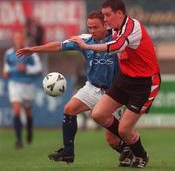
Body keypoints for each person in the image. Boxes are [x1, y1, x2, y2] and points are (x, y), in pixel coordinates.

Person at [16, 11, 127, 164]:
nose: (92, 31)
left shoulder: (117, 40)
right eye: (90, 27)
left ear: (106, 25)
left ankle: (130, 150)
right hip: (92, 87)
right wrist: (34, 49)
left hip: (113, 93)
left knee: (112, 140)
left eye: (95, 27)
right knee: (69, 109)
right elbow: (59, 45)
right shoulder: (85, 40)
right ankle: (68, 151)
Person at [70, 0, 161, 168]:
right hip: (125, 80)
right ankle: (128, 145)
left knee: (124, 130)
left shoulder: (132, 27)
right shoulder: (116, 28)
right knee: (97, 114)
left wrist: (87, 46)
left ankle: (141, 155)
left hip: (144, 84)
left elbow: (117, 46)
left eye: (107, 15)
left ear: (120, 14)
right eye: (103, 15)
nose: (105, 19)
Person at [3, 31, 42, 149]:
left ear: (23, 39)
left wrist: (26, 68)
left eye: (20, 38)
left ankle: (29, 131)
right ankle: (18, 139)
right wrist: (5, 72)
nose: (18, 40)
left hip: (28, 85)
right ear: (14, 40)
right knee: (16, 112)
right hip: (14, 84)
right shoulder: (9, 53)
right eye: (16, 38)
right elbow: (6, 67)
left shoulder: (30, 53)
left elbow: (38, 68)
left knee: (28, 112)